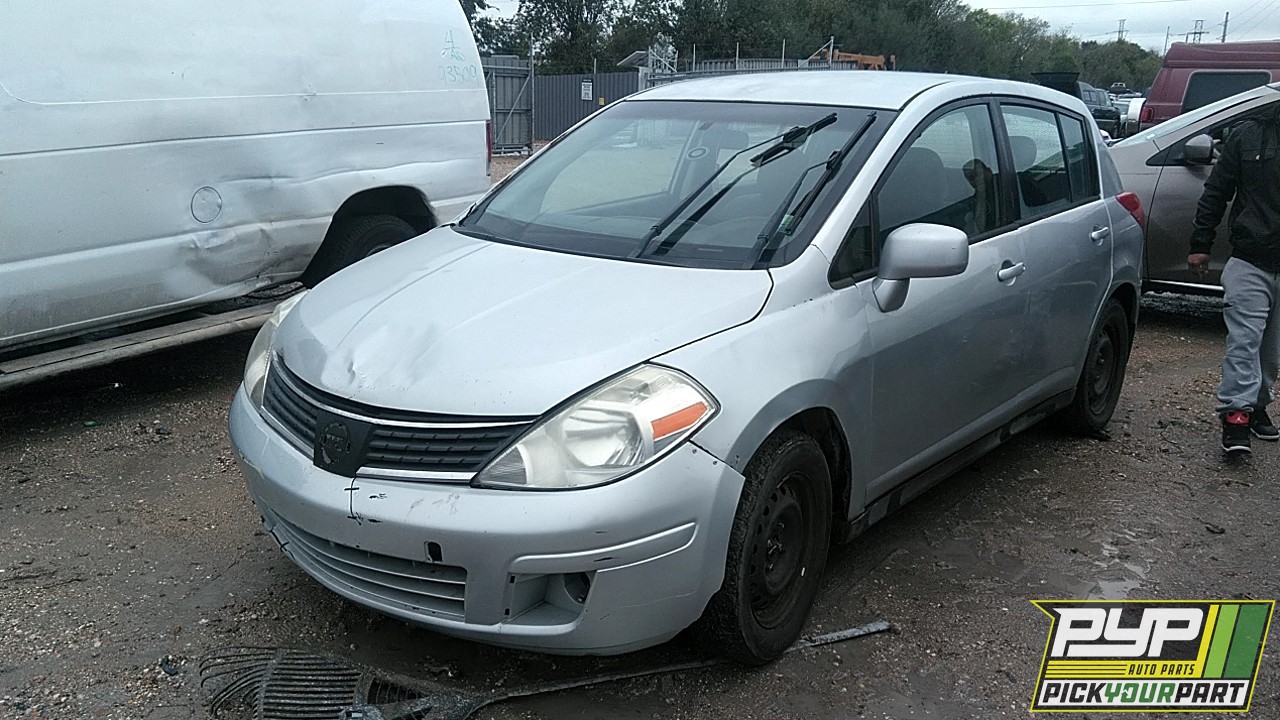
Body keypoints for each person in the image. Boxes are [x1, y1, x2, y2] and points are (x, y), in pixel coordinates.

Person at [1188, 103, 1280, 454]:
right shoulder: (1249, 134)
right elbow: (1216, 191)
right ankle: (1236, 415)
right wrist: (1201, 245)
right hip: (1249, 258)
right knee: (1244, 342)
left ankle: (1257, 405)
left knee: (1270, 353)